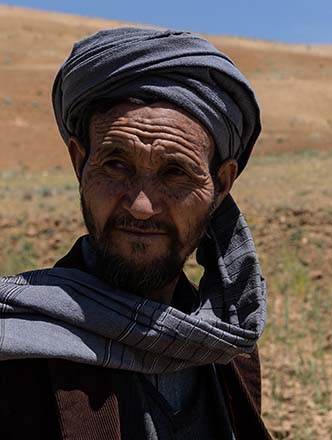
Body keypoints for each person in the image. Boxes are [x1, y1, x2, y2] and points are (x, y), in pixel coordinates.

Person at [0, 27, 270, 439]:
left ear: (221, 184)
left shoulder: (229, 350)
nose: (141, 206)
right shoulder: (16, 351)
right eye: (115, 165)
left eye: (174, 172)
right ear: (79, 162)